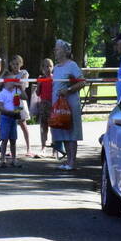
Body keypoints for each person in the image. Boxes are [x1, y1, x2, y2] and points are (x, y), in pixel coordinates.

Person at [51, 39, 86, 171]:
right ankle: (67, 161)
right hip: (58, 105)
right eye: (55, 49)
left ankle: (72, 162)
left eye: (58, 49)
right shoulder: (56, 67)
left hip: (70, 103)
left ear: (65, 51)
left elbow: (82, 82)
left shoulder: (72, 65)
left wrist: (69, 90)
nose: (55, 51)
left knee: (71, 132)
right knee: (63, 131)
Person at [5, 54, 32, 157]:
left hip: (20, 100)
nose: (15, 66)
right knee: (11, 125)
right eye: (13, 64)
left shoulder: (24, 73)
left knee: (23, 124)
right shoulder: (8, 75)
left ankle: (29, 148)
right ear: (10, 65)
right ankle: (12, 149)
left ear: (21, 64)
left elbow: (23, 86)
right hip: (11, 102)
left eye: (17, 63)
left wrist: (14, 83)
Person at [0, 79, 21, 167]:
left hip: (14, 118)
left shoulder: (16, 91)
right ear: (5, 83)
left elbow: (25, 97)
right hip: (5, 117)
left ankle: (14, 159)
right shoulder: (2, 94)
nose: (13, 82)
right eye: (11, 81)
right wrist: (8, 112)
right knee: (4, 139)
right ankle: (3, 159)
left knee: (13, 139)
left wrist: (21, 87)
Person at [34, 57, 54, 157]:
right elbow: (37, 93)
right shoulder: (41, 79)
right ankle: (43, 147)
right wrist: (39, 84)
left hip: (53, 105)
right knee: (43, 127)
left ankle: (55, 149)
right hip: (43, 105)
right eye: (46, 66)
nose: (48, 68)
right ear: (42, 68)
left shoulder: (54, 78)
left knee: (53, 127)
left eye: (50, 66)